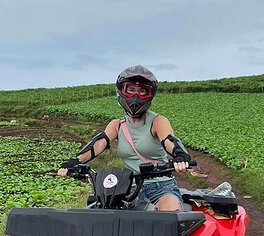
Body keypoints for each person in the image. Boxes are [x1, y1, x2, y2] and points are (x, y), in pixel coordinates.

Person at [57, 65, 193, 211]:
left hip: (161, 187)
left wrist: (180, 155)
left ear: (150, 95)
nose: (136, 95)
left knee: (169, 216)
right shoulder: (117, 125)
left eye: (142, 91)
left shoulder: (157, 122)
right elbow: (98, 144)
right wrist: (75, 161)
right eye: (131, 89)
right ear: (122, 91)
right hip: (128, 189)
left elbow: (169, 140)